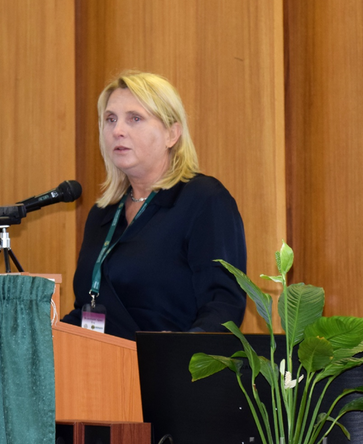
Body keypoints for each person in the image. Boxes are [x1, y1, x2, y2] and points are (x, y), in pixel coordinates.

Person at [62, 71, 247, 340]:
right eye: (110, 119)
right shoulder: (103, 214)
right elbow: (89, 310)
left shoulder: (203, 200)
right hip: (101, 363)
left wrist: (176, 350)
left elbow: (223, 306)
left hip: (170, 364)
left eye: (135, 118)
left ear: (172, 134)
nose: (118, 130)